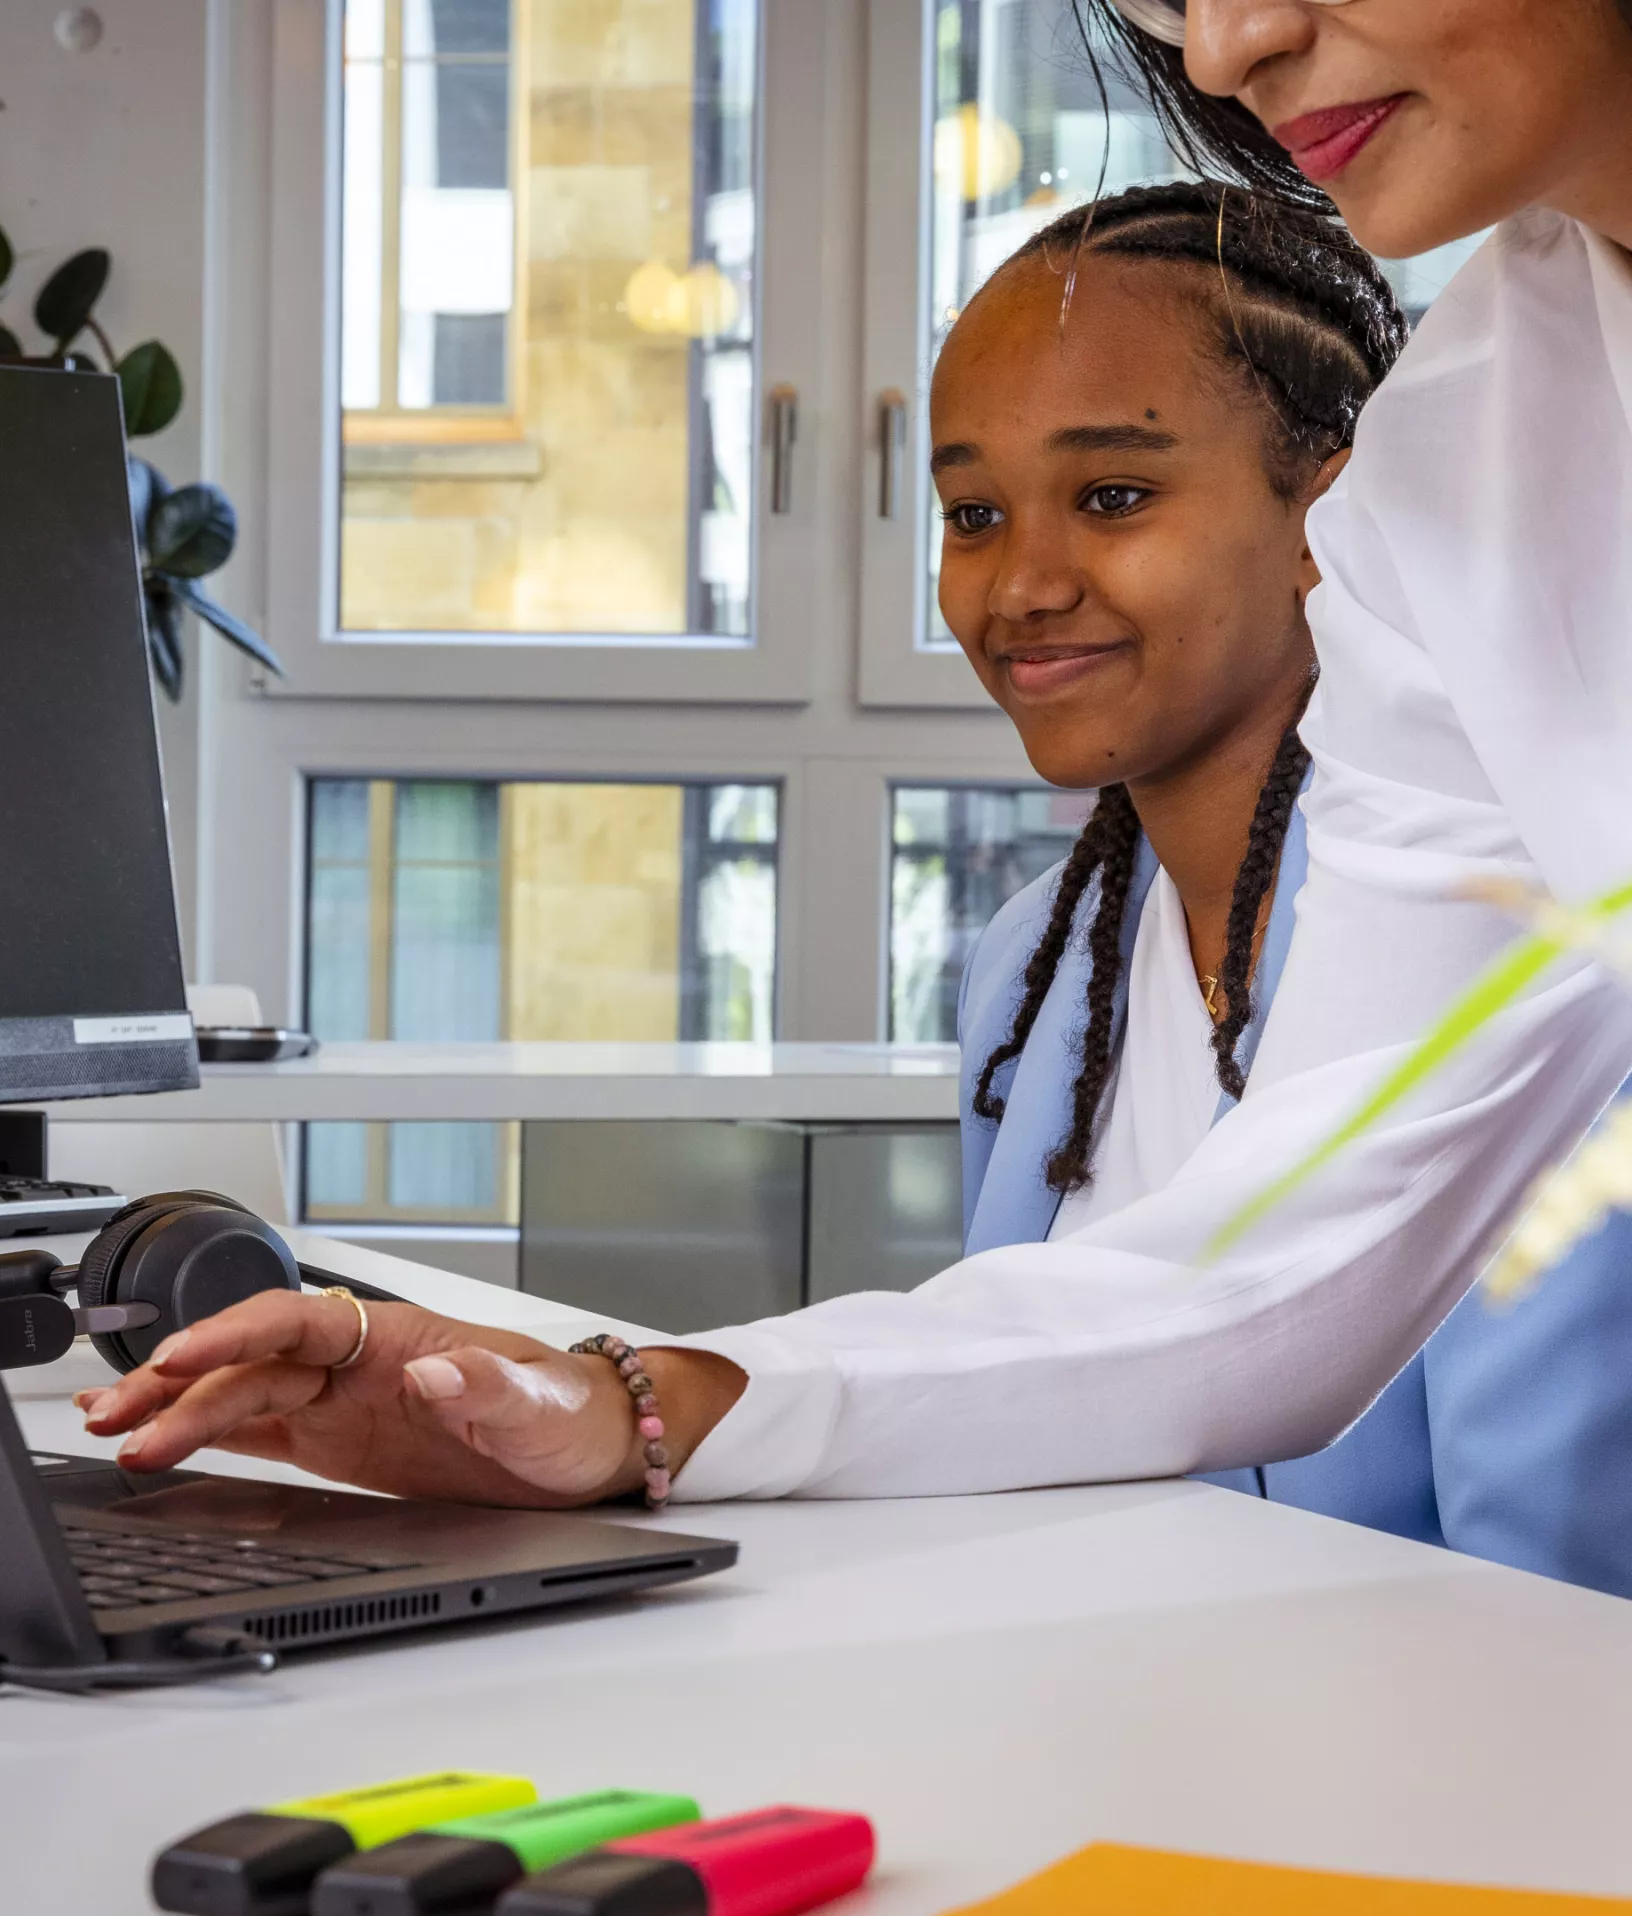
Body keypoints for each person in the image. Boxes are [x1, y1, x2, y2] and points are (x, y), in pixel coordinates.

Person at [78, 120, 1632, 1575]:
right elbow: (1148, 1343)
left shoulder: (1548, 882)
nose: (1021, 585)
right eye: (970, 516)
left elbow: (1548, 1582)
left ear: (1336, 517)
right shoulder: (1040, 971)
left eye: (1111, 494)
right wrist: (613, 1406)